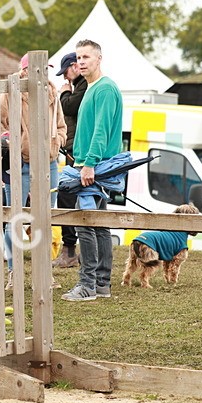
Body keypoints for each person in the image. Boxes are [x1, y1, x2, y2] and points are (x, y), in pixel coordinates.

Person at [62, 40, 123, 302]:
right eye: (78, 57)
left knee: (87, 225)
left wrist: (89, 163)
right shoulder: (91, 88)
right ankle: (101, 284)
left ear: (99, 58)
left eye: (86, 56)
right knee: (99, 225)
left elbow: (101, 129)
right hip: (88, 164)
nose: (81, 61)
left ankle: (89, 285)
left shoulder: (105, 88)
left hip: (94, 166)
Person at [0, 53, 67, 284]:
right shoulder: (10, 91)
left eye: (46, 69)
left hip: (48, 161)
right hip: (19, 162)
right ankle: (13, 271)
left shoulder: (52, 93)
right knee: (14, 219)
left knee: (46, 217)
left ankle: (44, 272)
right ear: (25, 70)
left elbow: (61, 124)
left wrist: (57, 140)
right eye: (39, 69)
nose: (44, 73)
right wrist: (15, 143)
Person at [51, 51, 87, 268]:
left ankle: (70, 250)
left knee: (66, 195)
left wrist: (64, 94)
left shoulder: (82, 86)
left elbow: (69, 107)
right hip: (76, 150)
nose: (65, 78)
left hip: (79, 153)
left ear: (74, 66)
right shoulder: (82, 85)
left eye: (66, 72)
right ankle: (74, 250)